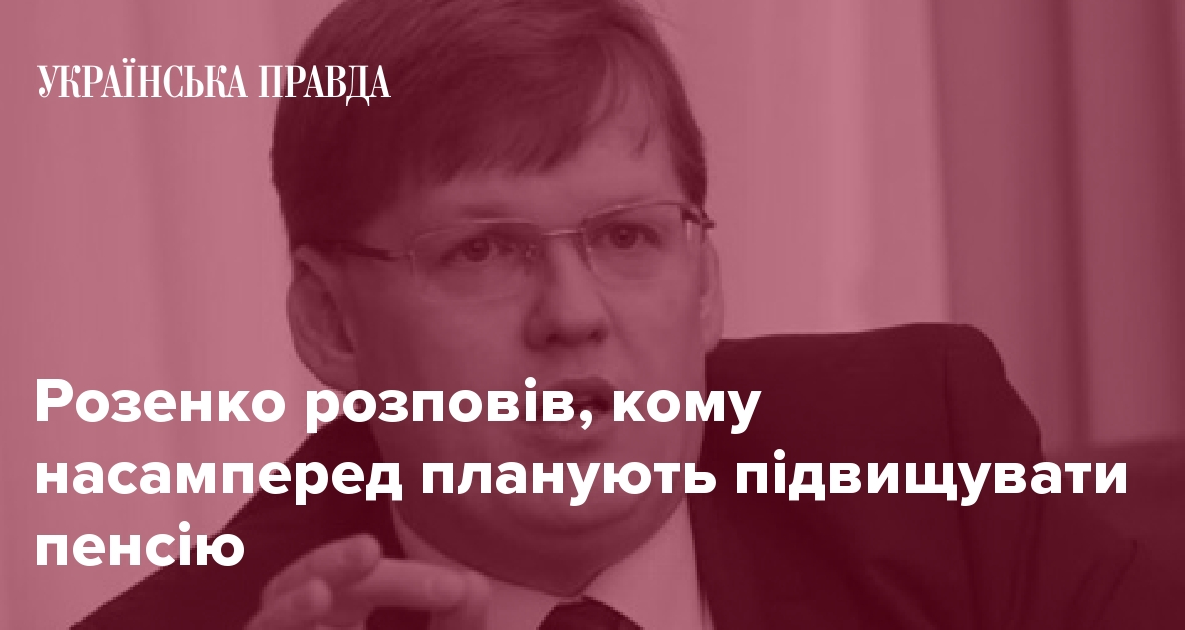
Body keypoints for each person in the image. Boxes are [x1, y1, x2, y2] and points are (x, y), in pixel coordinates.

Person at [77, 0, 1183, 628]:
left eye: (626, 237)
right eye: (481, 250)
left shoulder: (919, 454)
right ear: (331, 323)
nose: (573, 316)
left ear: (707, 283)